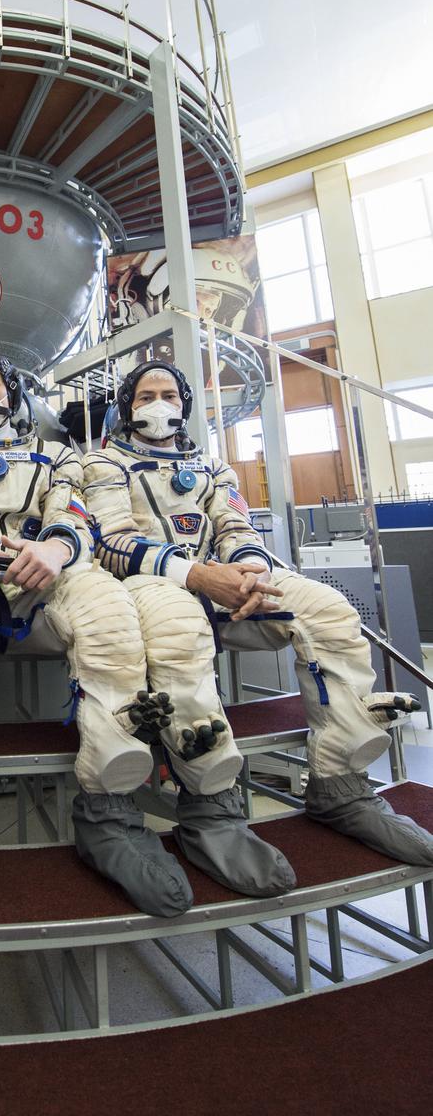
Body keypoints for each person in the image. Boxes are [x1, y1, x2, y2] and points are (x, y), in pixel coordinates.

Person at [0, 350, 196, 939]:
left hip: (41, 580)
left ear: (12, 395)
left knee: (110, 619)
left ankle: (112, 819)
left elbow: (75, 515)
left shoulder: (54, 455)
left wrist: (56, 547)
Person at [83, 360, 433, 877]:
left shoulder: (213, 468)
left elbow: (235, 525)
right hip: (153, 586)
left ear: (185, 406)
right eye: (145, 396)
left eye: (170, 395)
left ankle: (342, 787)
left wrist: (249, 570)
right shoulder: (103, 464)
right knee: (178, 630)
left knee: (330, 612)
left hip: (232, 583)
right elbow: (112, 542)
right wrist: (200, 576)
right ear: (126, 408)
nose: (159, 404)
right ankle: (210, 806)